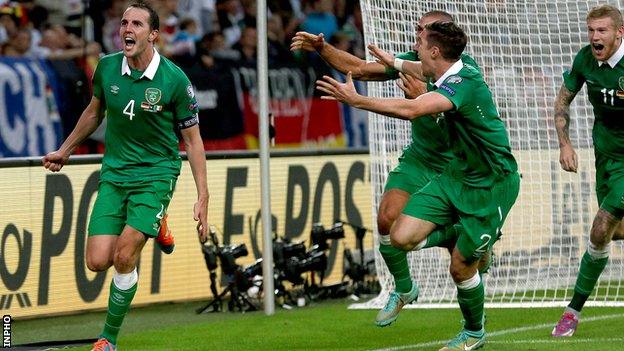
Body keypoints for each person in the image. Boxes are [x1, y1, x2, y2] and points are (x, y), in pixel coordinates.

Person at [317, 21, 519, 351]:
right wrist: (393, 63)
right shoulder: (449, 64)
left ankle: (473, 332)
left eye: (421, 41)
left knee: (461, 267)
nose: (416, 46)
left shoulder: (465, 81)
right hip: (456, 174)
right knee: (399, 235)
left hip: (491, 184)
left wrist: (357, 101)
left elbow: (414, 109)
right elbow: (408, 66)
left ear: (435, 51)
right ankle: (452, 238)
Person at [42, 2, 209, 351]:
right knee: (97, 261)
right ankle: (157, 223)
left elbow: (193, 142)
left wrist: (202, 196)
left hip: (156, 174)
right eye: (124, 23)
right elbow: (94, 110)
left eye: (136, 24)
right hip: (115, 173)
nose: (127, 29)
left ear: (153, 35)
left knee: (125, 253)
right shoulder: (106, 68)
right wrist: (65, 150)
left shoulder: (175, 80)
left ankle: (108, 339)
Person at [551, 4, 624, 338]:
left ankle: (572, 311)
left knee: (599, 228)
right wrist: (565, 143)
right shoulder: (585, 59)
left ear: (619, 33)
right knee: (615, 234)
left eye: (602, 31)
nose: (595, 37)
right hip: (605, 157)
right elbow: (563, 101)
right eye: (591, 30)